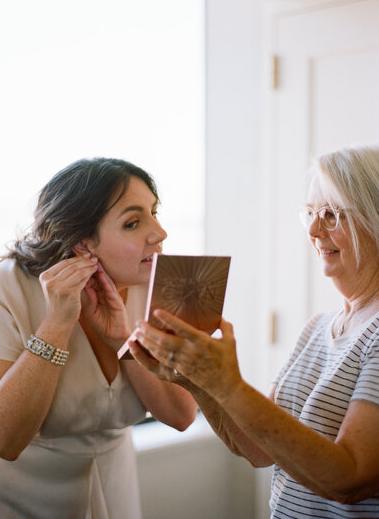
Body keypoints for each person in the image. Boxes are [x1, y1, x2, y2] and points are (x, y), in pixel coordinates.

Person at [130, 145, 379, 517]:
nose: (313, 230)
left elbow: (349, 479)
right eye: (311, 213)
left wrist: (229, 383)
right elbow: (259, 449)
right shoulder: (317, 328)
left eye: (331, 215)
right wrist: (197, 379)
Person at [0, 157, 197, 519]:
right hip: (18, 498)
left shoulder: (162, 283)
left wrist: (123, 342)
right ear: (82, 244)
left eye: (154, 213)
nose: (160, 233)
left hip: (117, 487)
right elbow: (2, 440)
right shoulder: (6, 287)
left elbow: (181, 414)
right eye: (133, 222)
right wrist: (56, 324)